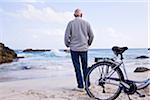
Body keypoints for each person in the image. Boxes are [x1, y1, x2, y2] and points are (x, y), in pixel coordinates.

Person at [64, 9, 94, 89]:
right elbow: (92, 36)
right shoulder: (86, 23)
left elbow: (66, 36)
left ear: (74, 15)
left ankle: (80, 86)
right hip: (84, 48)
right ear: (82, 15)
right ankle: (87, 85)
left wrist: (67, 44)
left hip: (74, 49)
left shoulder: (70, 23)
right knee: (85, 67)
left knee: (77, 68)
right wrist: (88, 44)